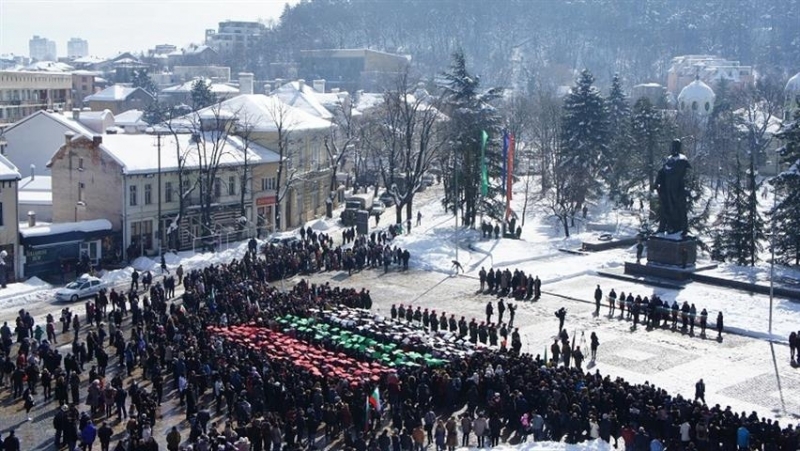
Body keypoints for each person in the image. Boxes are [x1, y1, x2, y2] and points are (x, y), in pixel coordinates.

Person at [654, 139, 692, 234]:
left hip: (677, 189)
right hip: (667, 188)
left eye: (676, 146)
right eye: (673, 146)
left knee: (679, 209)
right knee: (665, 207)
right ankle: (663, 228)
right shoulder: (669, 159)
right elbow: (662, 171)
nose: (673, 148)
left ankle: (680, 229)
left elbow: (683, 174)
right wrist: (657, 182)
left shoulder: (682, 160)